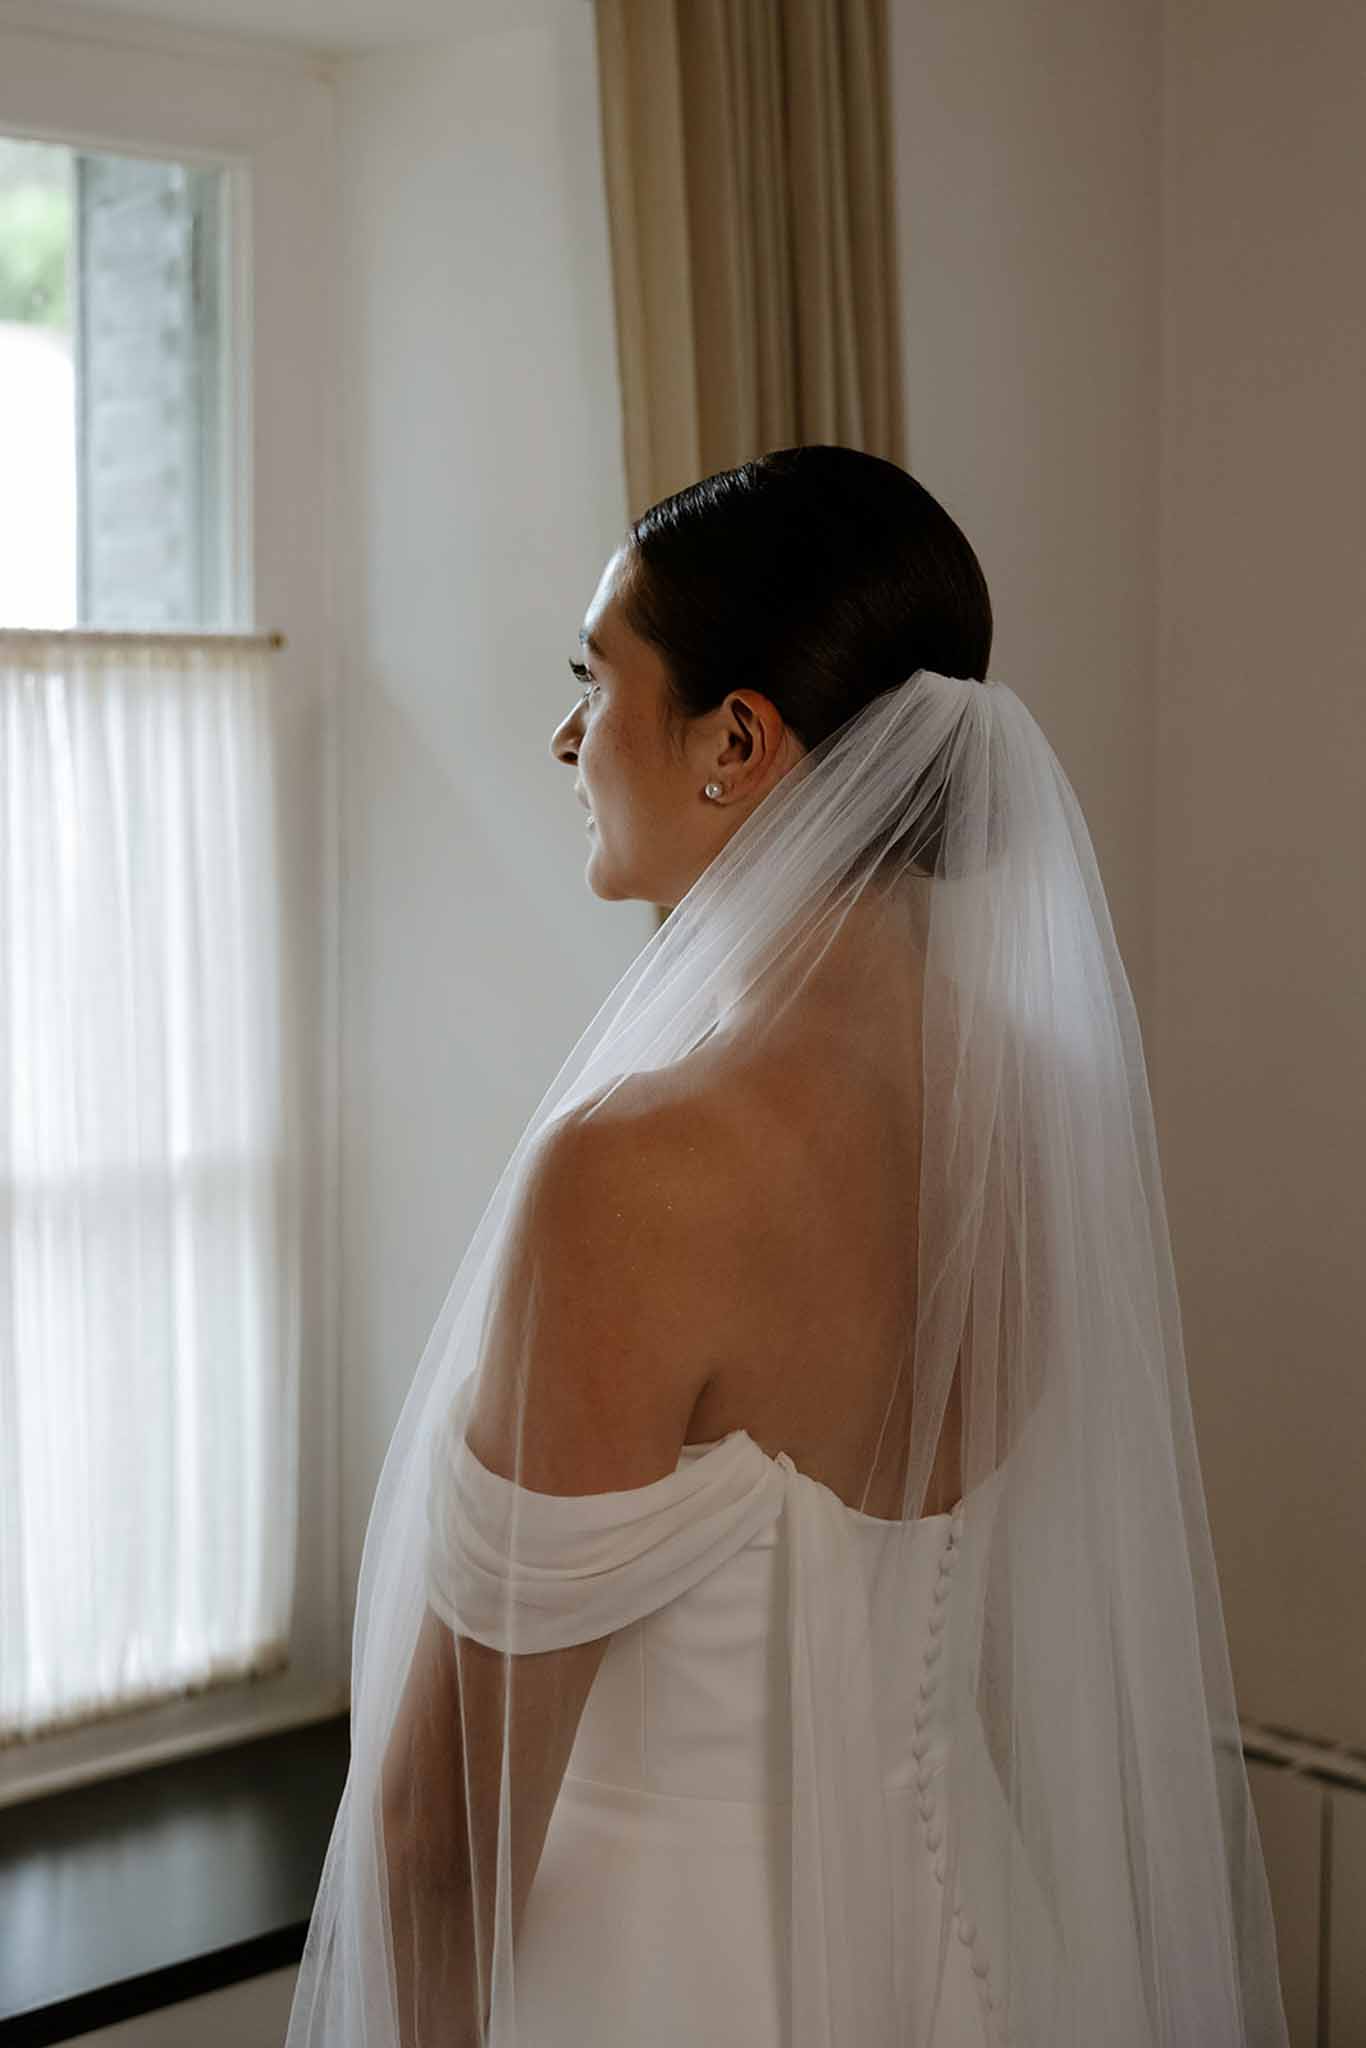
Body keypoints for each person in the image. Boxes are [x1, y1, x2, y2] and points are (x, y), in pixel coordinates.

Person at [285, 447, 1290, 2047]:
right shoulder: (1034, 1107)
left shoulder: (631, 1173)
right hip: (974, 1963)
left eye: (591, 680)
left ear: (736, 740)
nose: (562, 736)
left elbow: (439, 1832)